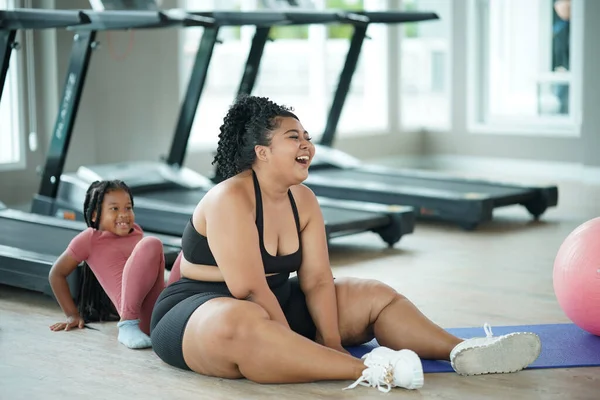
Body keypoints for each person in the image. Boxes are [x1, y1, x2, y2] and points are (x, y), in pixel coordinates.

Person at [150, 95, 542, 393]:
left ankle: (462, 351)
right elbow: (249, 290)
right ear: (262, 152)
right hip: (198, 311)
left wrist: (331, 340)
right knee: (242, 323)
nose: (307, 145)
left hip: (275, 303)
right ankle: (372, 370)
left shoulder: (302, 199)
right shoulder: (229, 198)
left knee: (371, 294)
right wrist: (308, 348)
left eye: (307, 137)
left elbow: (319, 279)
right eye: (294, 138)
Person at [49, 179, 175, 349]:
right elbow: (56, 274)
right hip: (140, 319)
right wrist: (72, 315)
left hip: (162, 304)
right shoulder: (89, 239)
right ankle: (127, 325)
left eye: (128, 208)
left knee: (186, 253)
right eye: (114, 209)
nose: (124, 214)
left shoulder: (136, 231)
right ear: (94, 215)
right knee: (152, 243)